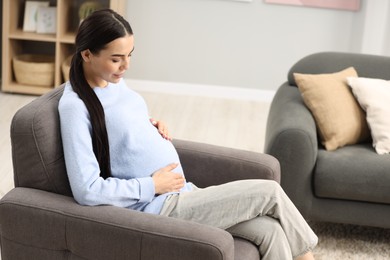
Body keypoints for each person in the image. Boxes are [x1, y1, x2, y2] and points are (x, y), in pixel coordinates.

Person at [58, 9, 317, 260]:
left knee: (269, 231)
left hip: (185, 193)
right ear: (87, 54)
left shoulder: (112, 80)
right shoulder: (75, 107)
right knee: (269, 192)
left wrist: (148, 125)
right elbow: (87, 189)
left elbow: (115, 130)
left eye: (130, 55)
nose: (126, 65)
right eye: (116, 59)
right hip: (161, 208)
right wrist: (152, 185)